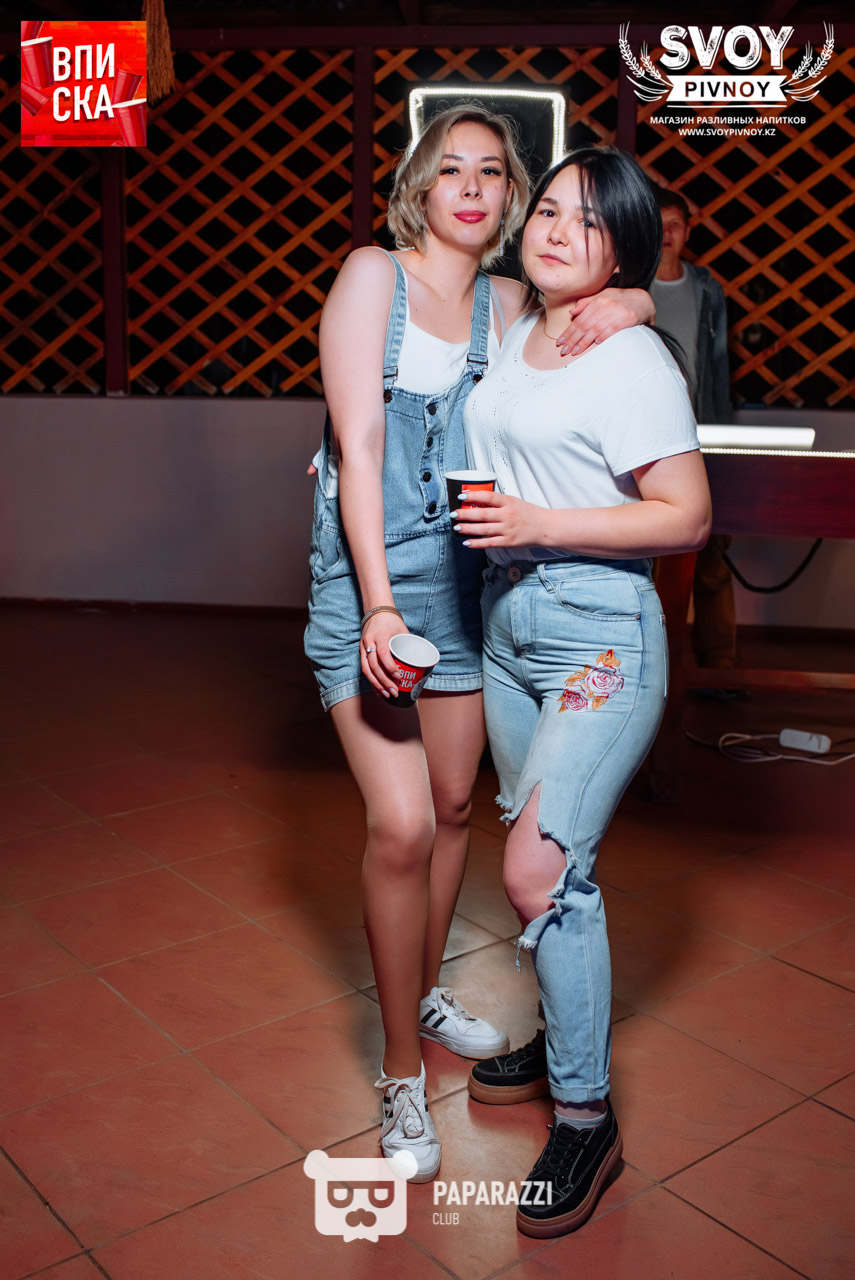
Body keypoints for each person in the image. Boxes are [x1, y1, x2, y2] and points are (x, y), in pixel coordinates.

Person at [304, 105, 655, 1183]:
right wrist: (376, 607)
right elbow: (360, 448)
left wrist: (636, 297)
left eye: (492, 172)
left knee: (457, 807)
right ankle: (400, 1073)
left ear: (509, 196)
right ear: (419, 184)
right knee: (404, 821)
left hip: (470, 589)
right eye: (449, 167)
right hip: (369, 583)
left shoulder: (509, 303)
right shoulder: (373, 276)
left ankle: (421, 990)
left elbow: (603, 304)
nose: (469, 186)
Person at [459, 147, 711, 1234]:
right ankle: (565, 1038)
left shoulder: (631, 355)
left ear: (625, 246)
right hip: (508, 624)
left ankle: (585, 1115)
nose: (560, 231)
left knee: (536, 869)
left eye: (593, 222)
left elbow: (686, 515)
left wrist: (639, 303)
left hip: (600, 635)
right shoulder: (519, 318)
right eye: (551, 209)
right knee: (551, 872)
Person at [651, 186, 736, 673]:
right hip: (649, 436)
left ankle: (719, 664)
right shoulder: (632, 284)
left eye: (675, 225)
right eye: (658, 224)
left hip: (702, 435)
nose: (666, 234)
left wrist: (723, 434)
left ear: (688, 230)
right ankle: (658, 666)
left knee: (713, 555)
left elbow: (719, 364)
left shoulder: (706, 287)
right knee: (652, 556)